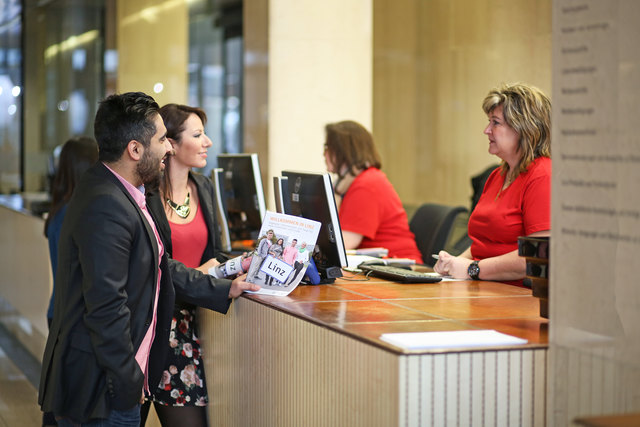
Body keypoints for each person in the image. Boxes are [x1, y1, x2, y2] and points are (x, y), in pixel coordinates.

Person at [38, 92, 259, 427]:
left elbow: (157, 265)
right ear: (135, 150)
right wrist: (129, 380)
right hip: (102, 390)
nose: (168, 148)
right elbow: (106, 307)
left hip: (111, 382)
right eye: (161, 140)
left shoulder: (124, 193)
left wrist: (222, 288)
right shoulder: (106, 204)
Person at [140, 104, 226, 426]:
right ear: (171, 144)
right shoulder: (146, 196)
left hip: (194, 325)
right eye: (198, 134)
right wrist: (202, 274)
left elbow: (213, 254)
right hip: (156, 325)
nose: (208, 142)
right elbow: (155, 265)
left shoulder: (203, 188)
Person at [434, 83, 551, 285]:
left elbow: (539, 255)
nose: (486, 130)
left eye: (495, 123)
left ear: (524, 129)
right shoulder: (498, 174)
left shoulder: (543, 175)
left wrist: (472, 269)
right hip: (484, 288)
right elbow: (484, 244)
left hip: (517, 298)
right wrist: (455, 263)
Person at [42, 136, 99, 427]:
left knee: (59, 402)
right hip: (71, 316)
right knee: (67, 406)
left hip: (60, 311)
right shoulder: (76, 213)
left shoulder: (61, 209)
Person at [323, 120, 423, 263]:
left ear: (342, 151)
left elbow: (344, 243)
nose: (324, 153)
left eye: (327, 147)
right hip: (378, 265)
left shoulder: (366, 185)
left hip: (398, 267)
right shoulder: (352, 183)